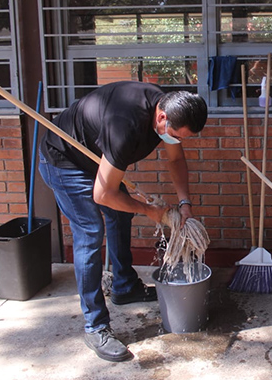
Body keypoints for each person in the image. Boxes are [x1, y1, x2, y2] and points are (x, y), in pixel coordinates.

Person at [38, 81, 208, 362]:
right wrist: (149, 210)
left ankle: (125, 287)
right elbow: (103, 194)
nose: (177, 141)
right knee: (90, 233)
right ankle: (95, 327)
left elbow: (176, 161)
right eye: (177, 136)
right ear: (162, 117)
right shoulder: (124, 126)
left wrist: (184, 203)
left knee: (121, 213)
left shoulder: (168, 108)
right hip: (64, 159)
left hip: (96, 158)